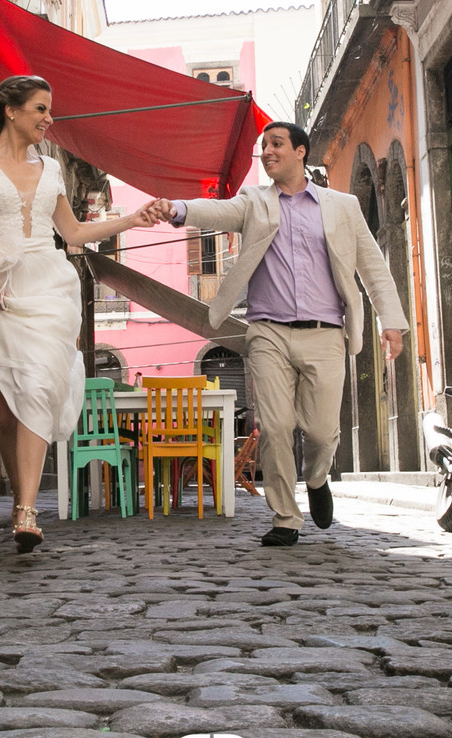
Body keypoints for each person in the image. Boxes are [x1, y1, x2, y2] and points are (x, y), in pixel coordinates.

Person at [151, 121, 409, 547]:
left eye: (276, 144)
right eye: (263, 146)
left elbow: (373, 267)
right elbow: (217, 211)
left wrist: (392, 322)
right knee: (274, 426)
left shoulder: (342, 206)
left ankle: (318, 477)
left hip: (326, 334)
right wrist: (178, 208)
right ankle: (285, 518)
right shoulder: (255, 201)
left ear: (300, 151)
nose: (266, 152)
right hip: (268, 332)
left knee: (323, 432)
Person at [0, 75, 163, 553]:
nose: (48, 119)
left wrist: (131, 220)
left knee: (37, 385)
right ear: (12, 111)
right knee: (2, 410)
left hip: (45, 287)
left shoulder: (52, 171)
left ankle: (27, 510)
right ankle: (22, 498)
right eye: (40, 109)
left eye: (49, 110)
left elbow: (74, 233)